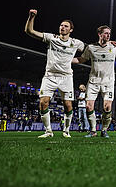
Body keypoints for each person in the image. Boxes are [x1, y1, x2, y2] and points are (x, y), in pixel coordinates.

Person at [24, 9, 84, 138]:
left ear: (71, 30)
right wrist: (31, 17)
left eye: (66, 26)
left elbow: (89, 52)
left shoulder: (75, 43)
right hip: (50, 75)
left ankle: (66, 130)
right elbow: (30, 31)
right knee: (43, 102)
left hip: (66, 77)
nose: (62, 27)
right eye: (61, 25)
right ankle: (48, 131)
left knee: (68, 105)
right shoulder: (52, 38)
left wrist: (76, 60)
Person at [72, 25, 116, 138]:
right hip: (93, 81)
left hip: (108, 82)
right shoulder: (91, 47)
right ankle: (93, 131)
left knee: (107, 107)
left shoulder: (114, 47)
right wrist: (66, 59)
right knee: (89, 106)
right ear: (99, 34)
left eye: (109, 33)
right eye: (106, 33)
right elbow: (81, 59)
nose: (108, 35)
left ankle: (104, 130)